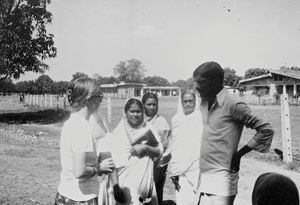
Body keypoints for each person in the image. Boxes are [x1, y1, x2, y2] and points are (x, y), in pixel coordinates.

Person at [193, 61, 275, 205]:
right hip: (203, 178)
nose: (196, 87)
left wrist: (239, 155)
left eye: (201, 82)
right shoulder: (204, 103)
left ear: (215, 82)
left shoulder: (233, 104)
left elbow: (266, 129)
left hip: (222, 181)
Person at [54, 77, 115, 205]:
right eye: (99, 97)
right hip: (81, 198)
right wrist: (99, 168)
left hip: (64, 194)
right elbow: (79, 171)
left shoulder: (70, 123)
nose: (100, 102)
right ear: (89, 99)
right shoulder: (84, 127)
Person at [105, 98, 164, 205]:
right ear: (125, 113)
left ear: (143, 112)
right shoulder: (118, 134)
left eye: (138, 111)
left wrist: (146, 148)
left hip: (147, 189)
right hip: (127, 191)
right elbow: (112, 164)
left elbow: (159, 151)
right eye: (132, 111)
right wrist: (115, 186)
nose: (135, 115)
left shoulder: (149, 129)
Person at [169, 90, 202, 205]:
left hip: (198, 166)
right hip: (180, 168)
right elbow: (175, 145)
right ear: (181, 103)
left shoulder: (201, 119)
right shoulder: (176, 120)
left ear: (195, 102)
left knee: (198, 200)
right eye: (185, 101)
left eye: (190, 101)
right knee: (183, 200)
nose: (188, 104)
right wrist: (174, 170)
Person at [142, 92, 171, 205]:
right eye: (149, 104)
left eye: (154, 104)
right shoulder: (138, 119)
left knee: (155, 191)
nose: (152, 107)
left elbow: (164, 143)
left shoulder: (161, 121)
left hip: (157, 163)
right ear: (143, 104)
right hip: (140, 163)